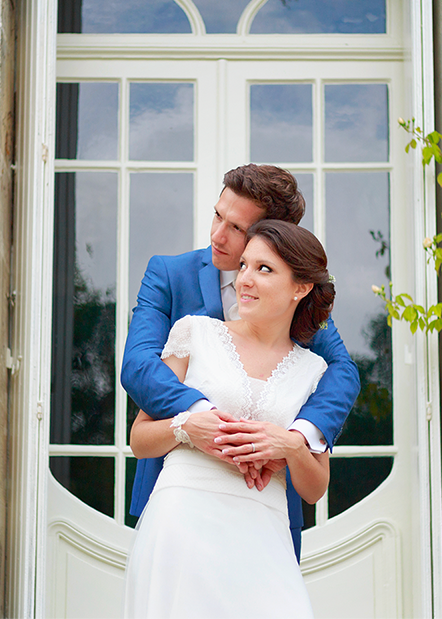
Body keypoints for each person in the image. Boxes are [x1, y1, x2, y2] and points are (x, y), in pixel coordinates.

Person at [120, 164, 360, 560]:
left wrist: (297, 438)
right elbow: (139, 366)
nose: (217, 235)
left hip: (265, 511)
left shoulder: (292, 295)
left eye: (236, 228)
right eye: (218, 216)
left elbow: (343, 371)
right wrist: (203, 418)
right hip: (179, 497)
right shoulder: (169, 273)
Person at [123, 220, 335, 619]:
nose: (245, 280)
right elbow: (139, 439)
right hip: (182, 523)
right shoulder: (195, 334)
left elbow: (315, 489)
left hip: (265, 537)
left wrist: (289, 446)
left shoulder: (315, 371)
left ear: (301, 287)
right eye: (244, 267)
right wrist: (186, 428)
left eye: (264, 269)